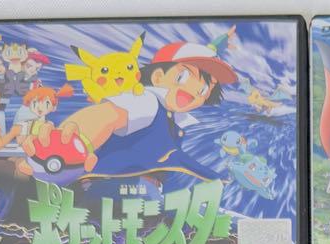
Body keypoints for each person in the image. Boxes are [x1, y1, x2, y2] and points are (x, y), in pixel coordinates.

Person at [57, 41, 237, 182]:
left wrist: (214, 176)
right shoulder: (146, 101)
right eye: (182, 77)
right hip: (105, 186)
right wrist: (64, 146)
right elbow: (107, 116)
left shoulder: (174, 122)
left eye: (203, 91)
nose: (193, 92)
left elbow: (178, 158)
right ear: (157, 76)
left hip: (134, 195)